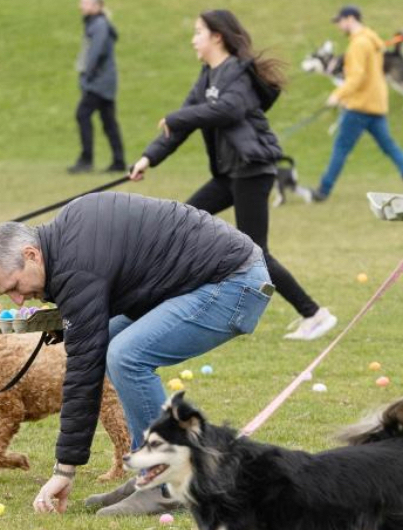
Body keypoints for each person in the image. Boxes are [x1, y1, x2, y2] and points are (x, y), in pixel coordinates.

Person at [0, 192, 273, 516]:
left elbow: (82, 366)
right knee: (113, 345)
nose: (18, 301)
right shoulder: (67, 241)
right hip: (198, 280)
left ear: (31, 254)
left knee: (125, 355)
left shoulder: (76, 266)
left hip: (234, 284)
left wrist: (65, 469)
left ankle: (164, 485)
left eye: (15, 287)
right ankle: (148, 475)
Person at [130, 10, 337, 342]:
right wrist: (148, 157)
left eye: (198, 32)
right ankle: (175, 303)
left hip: (252, 169)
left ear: (217, 36)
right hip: (229, 173)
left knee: (256, 251)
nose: (193, 39)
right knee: (182, 223)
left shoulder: (237, 74)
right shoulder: (208, 76)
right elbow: (181, 127)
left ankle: (314, 314)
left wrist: (177, 116)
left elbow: (229, 110)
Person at [308, 5, 403, 202]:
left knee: (341, 149)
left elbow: (356, 77)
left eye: (340, 21)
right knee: (391, 148)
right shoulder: (371, 39)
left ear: (350, 19)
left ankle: (323, 191)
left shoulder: (359, 44)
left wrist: (338, 95)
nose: (339, 26)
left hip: (358, 106)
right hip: (376, 104)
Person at [68, 0, 126, 174]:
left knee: (82, 114)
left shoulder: (99, 24)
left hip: (99, 82)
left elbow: (94, 53)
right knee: (109, 122)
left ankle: (87, 159)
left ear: (96, 6)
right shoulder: (96, 23)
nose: (80, 6)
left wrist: (87, 75)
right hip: (104, 81)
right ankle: (119, 161)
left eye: (85, 2)